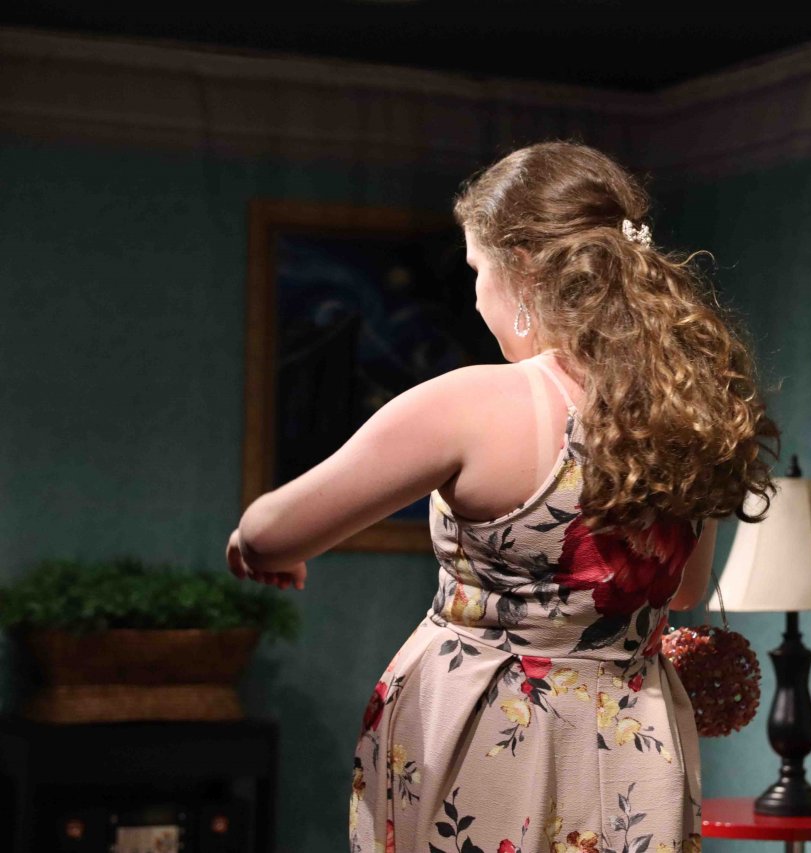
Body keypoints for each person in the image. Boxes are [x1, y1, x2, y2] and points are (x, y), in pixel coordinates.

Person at [225, 140, 778, 853]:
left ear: (521, 267)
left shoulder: (474, 402)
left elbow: (268, 531)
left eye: (476, 269)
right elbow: (687, 586)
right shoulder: (682, 412)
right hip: (630, 742)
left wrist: (262, 546)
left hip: (486, 736)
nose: (477, 294)